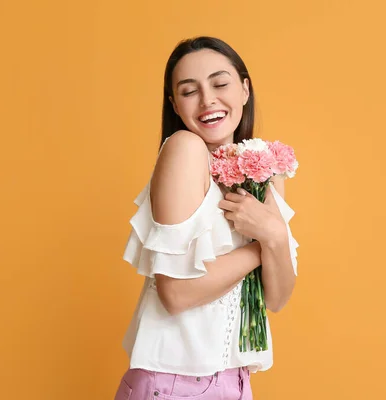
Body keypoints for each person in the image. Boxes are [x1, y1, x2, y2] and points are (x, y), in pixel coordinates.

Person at [113, 36, 299, 400]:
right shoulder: (184, 149)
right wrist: (266, 241)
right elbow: (176, 293)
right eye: (189, 91)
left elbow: (276, 298)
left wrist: (274, 236)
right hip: (175, 384)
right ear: (175, 105)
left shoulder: (264, 171)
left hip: (236, 382)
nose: (207, 99)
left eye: (220, 83)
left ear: (245, 90)